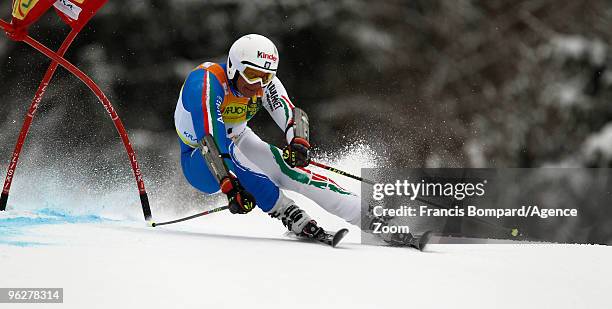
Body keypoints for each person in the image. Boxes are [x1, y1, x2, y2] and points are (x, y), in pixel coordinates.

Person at [174, 34, 424, 247]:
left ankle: (371, 219)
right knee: (236, 157)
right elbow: (212, 141)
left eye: (266, 77)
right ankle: (288, 213)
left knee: (293, 170)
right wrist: (231, 187)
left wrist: (298, 143)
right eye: (251, 75)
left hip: (237, 138)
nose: (258, 86)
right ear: (233, 67)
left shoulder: (264, 83)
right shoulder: (206, 83)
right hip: (200, 157)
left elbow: (291, 115)